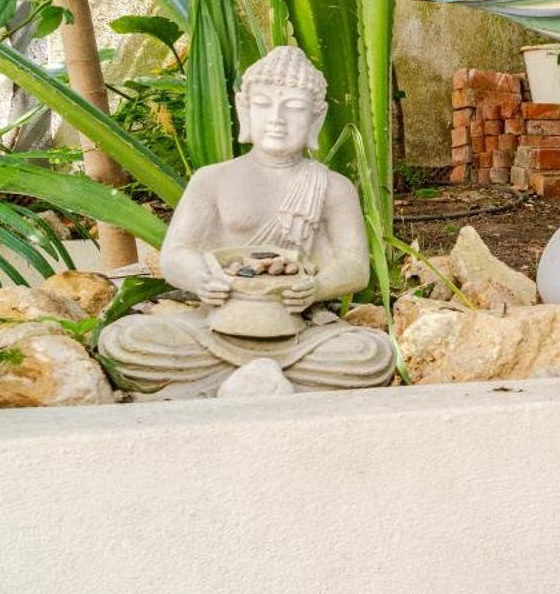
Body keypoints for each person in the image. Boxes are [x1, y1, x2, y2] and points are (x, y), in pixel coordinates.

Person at [98, 46, 395, 396]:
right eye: (264, 105)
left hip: (298, 329)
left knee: (372, 354)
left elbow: (354, 265)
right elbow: (176, 251)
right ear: (245, 111)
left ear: (317, 117)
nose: (277, 118)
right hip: (215, 325)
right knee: (123, 340)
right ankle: (268, 383)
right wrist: (201, 279)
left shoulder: (332, 187)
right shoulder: (212, 179)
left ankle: (210, 385)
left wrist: (316, 288)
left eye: (294, 108)